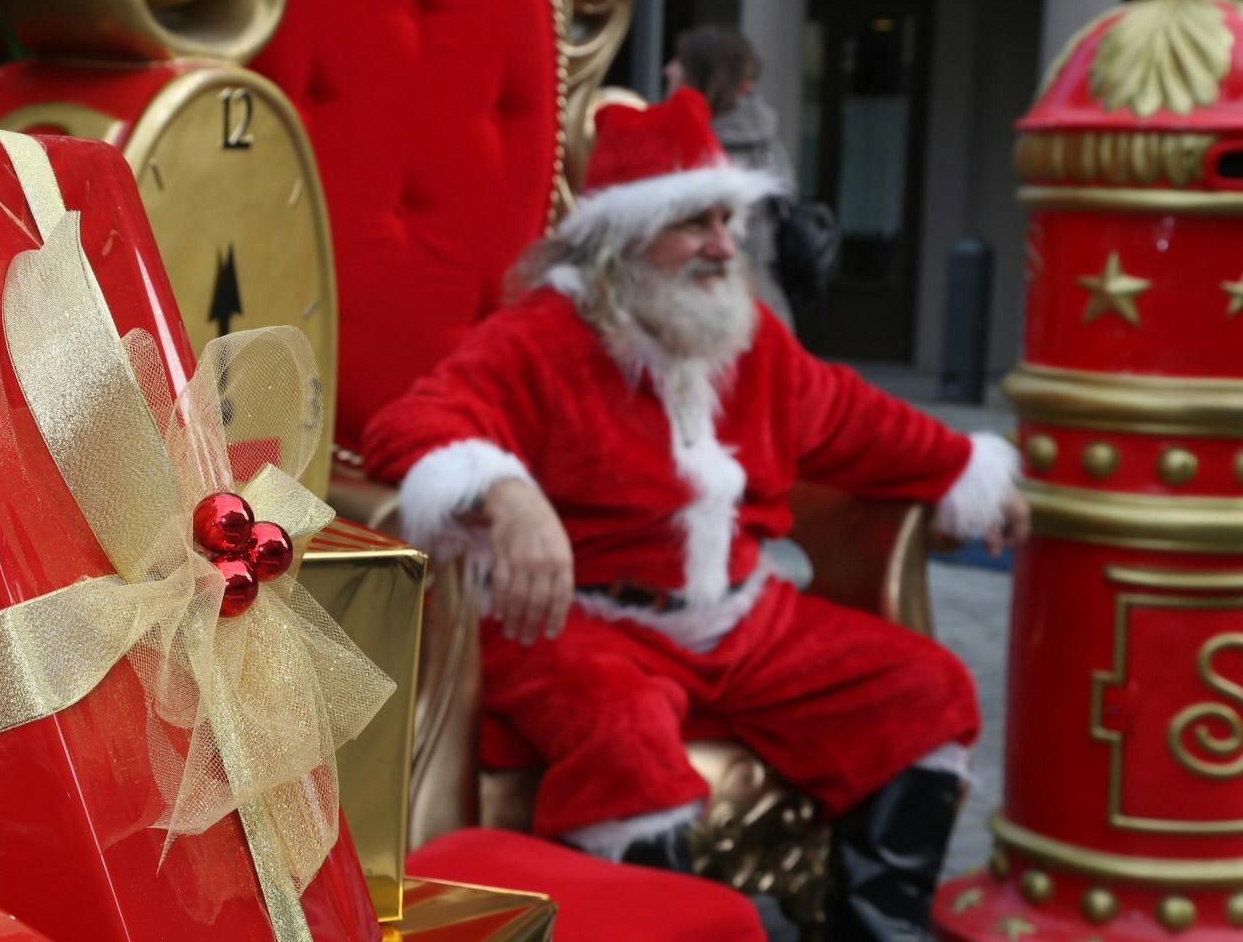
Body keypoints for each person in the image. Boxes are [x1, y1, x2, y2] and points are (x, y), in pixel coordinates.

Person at [361, 88, 1028, 940]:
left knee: (924, 688)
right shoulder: (539, 339)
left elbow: (863, 420)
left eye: (727, 219)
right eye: (693, 223)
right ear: (620, 242)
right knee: (624, 741)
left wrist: (971, 470)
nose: (722, 246)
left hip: (744, 623)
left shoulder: (745, 340)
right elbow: (410, 428)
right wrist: (508, 495)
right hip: (584, 626)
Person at [665, 24, 796, 326]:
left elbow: (741, 250)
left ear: (704, 75)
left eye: (679, 63)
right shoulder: (763, 137)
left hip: (723, 319)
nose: (668, 69)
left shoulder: (700, 148)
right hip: (757, 309)